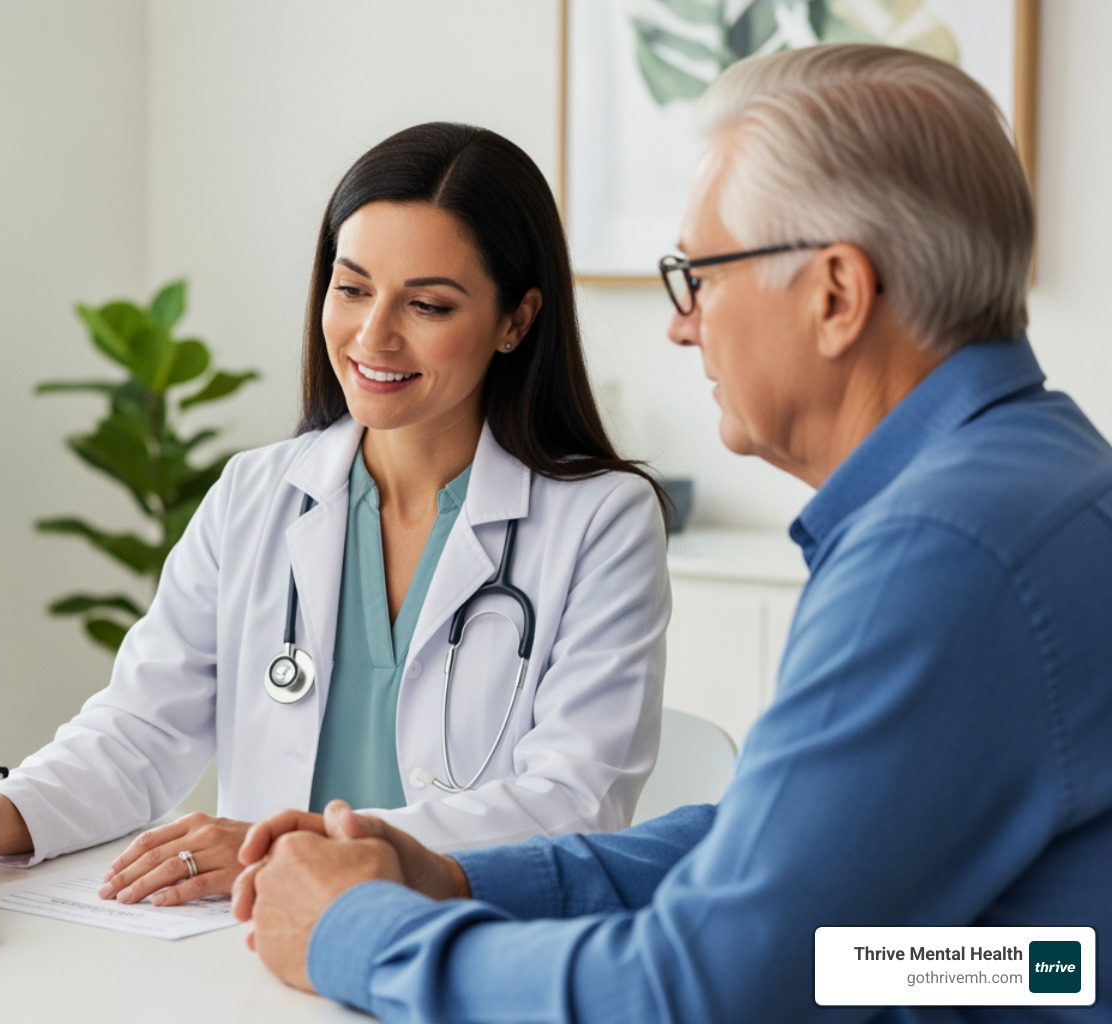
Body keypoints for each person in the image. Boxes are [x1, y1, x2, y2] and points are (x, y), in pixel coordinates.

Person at [233, 45, 1112, 1021]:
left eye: (699, 275)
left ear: (835, 295)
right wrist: (456, 875)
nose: (680, 326)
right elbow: (820, 878)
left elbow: (699, 988)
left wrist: (353, 931)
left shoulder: (946, 550)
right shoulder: (1036, 477)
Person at [0, 122, 672, 906]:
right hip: (261, 945)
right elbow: (139, 731)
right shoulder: (255, 495)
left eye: (428, 306)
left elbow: (573, 803)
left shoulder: (601, 520)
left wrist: (297, 844)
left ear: (516, 321)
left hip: (466, 944)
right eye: (352, 289)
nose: (372, 337)